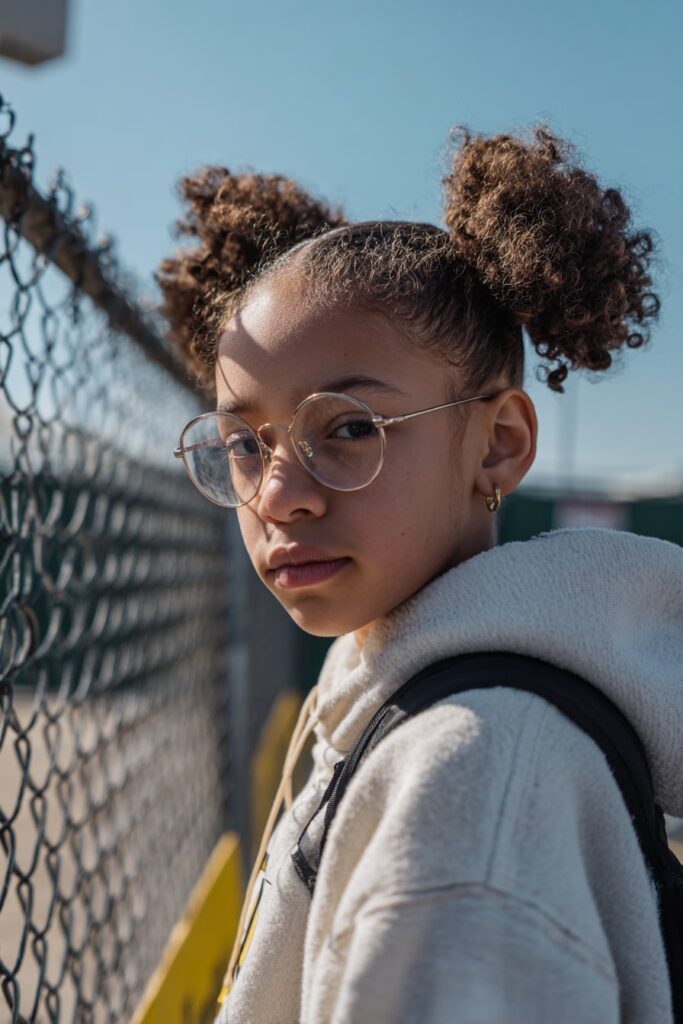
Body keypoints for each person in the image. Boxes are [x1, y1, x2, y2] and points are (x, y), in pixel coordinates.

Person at [158, 126, 683, 1023]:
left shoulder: (470, 785)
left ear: (498, 443)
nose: (277, 496)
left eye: (349, 427)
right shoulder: (401, 688)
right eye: (244, 443)